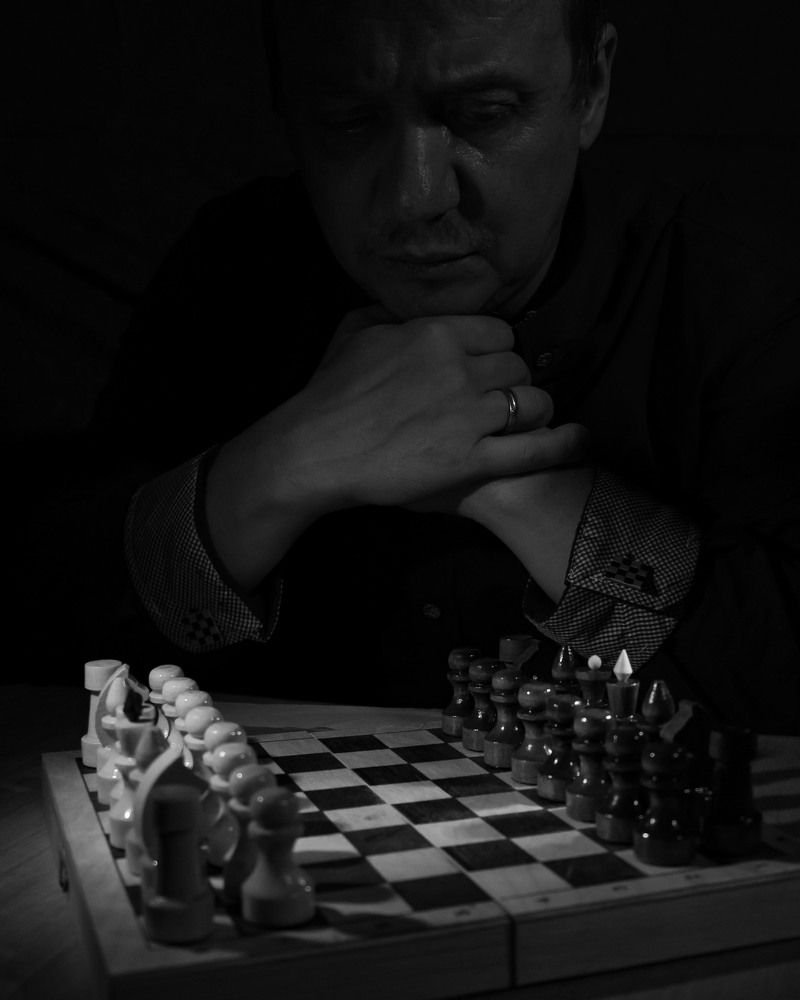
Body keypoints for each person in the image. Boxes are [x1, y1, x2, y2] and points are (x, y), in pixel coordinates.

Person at [22, 0, 800, 731]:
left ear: (590, 87)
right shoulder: (232, 267)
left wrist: (517, 482)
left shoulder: (733, 285)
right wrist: (285, 463)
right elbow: (49, 635)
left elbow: (777, 682)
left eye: (486, 113)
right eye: (348, 119)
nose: (416, 196)